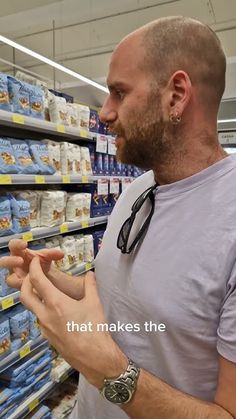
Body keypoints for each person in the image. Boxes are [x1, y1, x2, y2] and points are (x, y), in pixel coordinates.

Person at [0, 15, 236, 419]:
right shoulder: (134, 193)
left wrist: (106, 368)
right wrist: (52, 281)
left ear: (176, 95)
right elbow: (123, 301)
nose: (105, 113)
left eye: (118, 93)